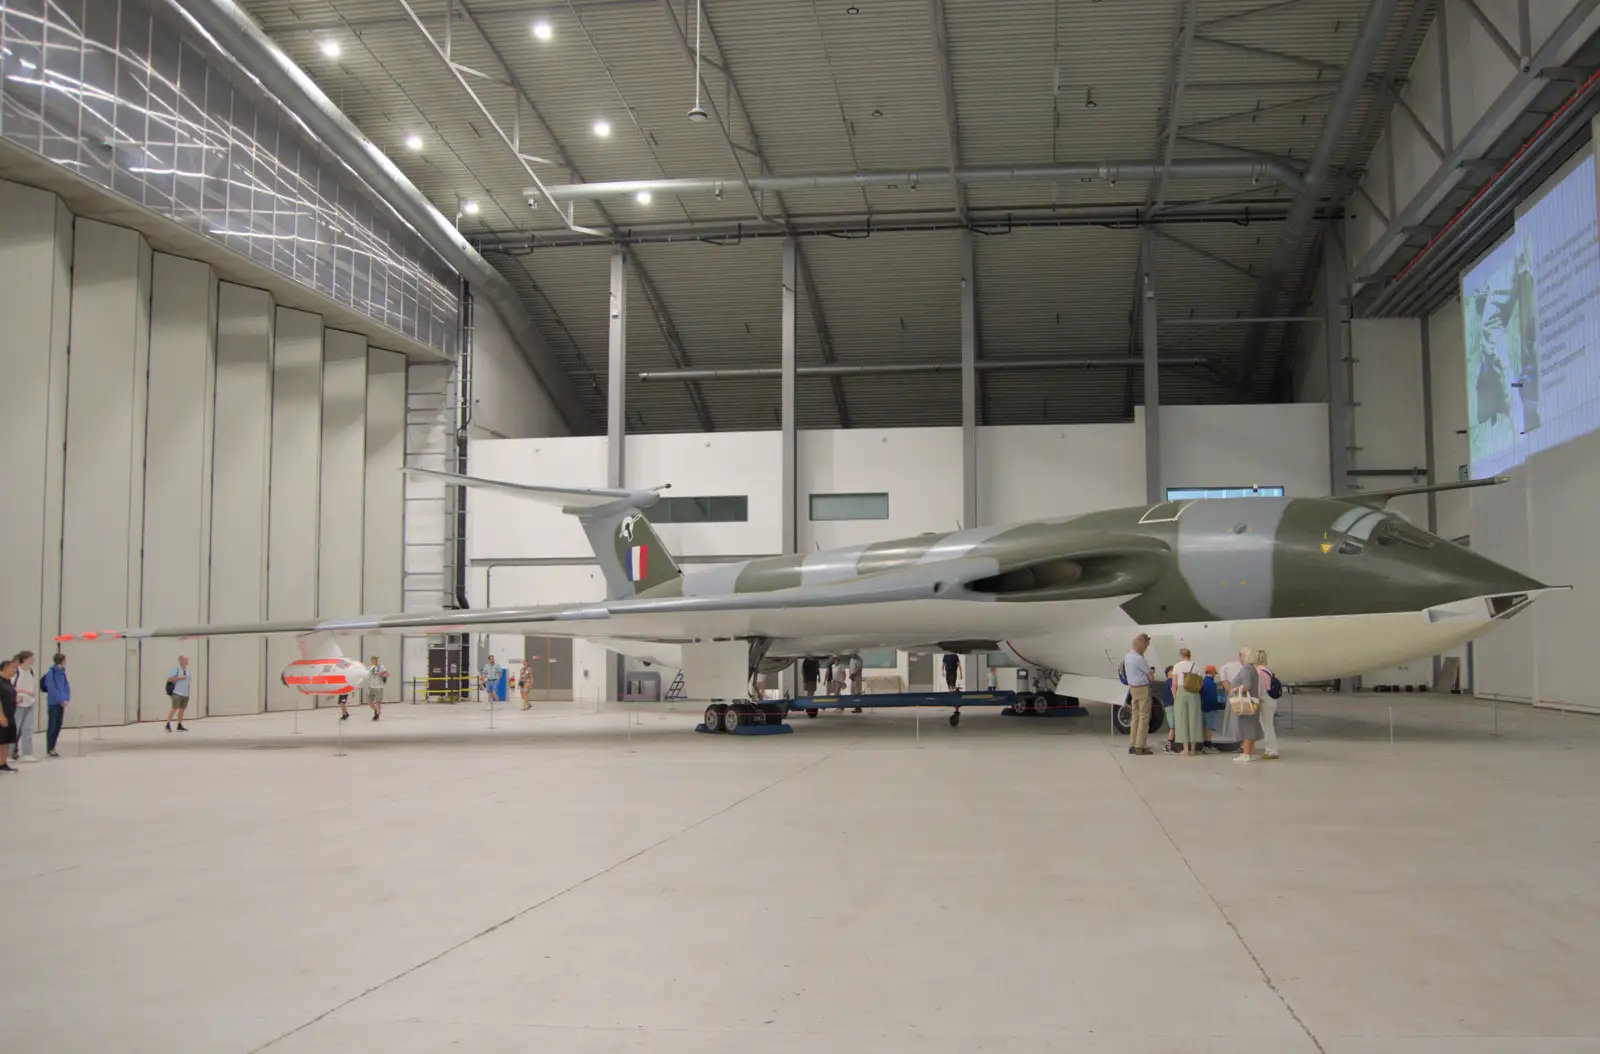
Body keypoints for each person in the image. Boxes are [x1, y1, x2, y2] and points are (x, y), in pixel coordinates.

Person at [1228, 646, 1265, 763]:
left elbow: (1246, 685)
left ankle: (1246, 753)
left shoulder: (1245, 669)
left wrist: (1235, 690)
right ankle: (1251, 752)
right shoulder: (1253, 669)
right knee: (1252, 727)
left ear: (1243, 657)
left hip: (1245, 703)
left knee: (1246, 728)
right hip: (1253, 701)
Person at [1122, 633, 1154, 755]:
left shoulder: (1128, 656)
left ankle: (1132, 744)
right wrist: (1151, 673)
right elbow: (1150, 676)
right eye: (1146, 645)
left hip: (1132, 689)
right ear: (1142, 643)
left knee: (1135, 717)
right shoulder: (1139, 659)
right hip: (1142, 688)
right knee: (1144, 717)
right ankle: (1140, 746)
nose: (1146, 648)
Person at [1170, 648, 1204, 757]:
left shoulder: (1177, 666)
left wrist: (1175, 697)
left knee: (1182, 720)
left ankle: (1185, 749)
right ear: (1190, 655)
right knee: (1194, 719)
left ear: (1181, 655)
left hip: (1181, 692)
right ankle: (1193, 749)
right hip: (1194, 693)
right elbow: (1201, 683)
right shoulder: (1196, 666)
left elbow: (1174, 684)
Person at [11, 651, 38, 763]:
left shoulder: (32, 671)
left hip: (30, 702)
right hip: (19, 703)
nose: (33, 659)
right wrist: (23, 693)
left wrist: (31, 695)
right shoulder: (17, 671)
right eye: (32, 657)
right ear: (26, 658)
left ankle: (27, 753)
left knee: (27, 728)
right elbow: (11, 686)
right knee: (15, 728)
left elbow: (32, 685)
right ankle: (10, 753)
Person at [42, 652, 69, 758]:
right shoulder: (51, 672)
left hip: (62, 702)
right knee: (52, 725)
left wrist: (66, 699)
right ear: (62, 660)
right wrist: (60, 699)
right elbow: (52, 688)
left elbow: (66, 686)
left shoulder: (62, 672)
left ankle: (53, 747)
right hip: (54, 703)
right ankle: (50, 747)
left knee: (58, 725)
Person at [1199, 663, 1231, 754]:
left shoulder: (1202, 682)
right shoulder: (1212, 684)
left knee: (1206, 727)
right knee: (1209, 727)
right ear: (1213, 673)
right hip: (1210, 708)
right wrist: (1218, 706)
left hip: (1203, 707)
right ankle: (1207, 746)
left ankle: (1206, 744)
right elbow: (1212, 697)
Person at [1256, 649, 1281, 760]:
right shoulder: (1267, 670)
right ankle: (1271, 749)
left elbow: (1261, 688)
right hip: (1271, 700)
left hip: (1265, 700)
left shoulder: (1259, 671)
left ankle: (1271, 750)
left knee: (1267, 726)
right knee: (1268, 725)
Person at [164, 655, 192, 732]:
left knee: (182, 710)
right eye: (185, 659)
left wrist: (188, 692)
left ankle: (179, 724)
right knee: (174, 708)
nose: (187, 661)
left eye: (187, 659)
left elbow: (188, 681)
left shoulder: (188, 670)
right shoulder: (176, 669)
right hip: (177, 692)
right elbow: (170, 679)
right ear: (181, 661)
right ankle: (167, 724)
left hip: (185, 694)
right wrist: (180, 678)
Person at [0, 658, 18, 772]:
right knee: (1, 741)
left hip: (10, 716)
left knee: (6, 741)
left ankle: (3, 763)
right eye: (12, 668)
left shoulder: (8, 682)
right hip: (3, 716)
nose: (14, 670)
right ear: (5, 667)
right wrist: (1, 716)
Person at [368, 656, 388, 720]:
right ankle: (376, 710)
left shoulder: (381, 667)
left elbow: (387, 674)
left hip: (378, 686)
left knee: (378, 701)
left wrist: (381, 674)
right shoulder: (369, 667)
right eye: (373, 660)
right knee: (369, 701)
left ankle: (377, 714)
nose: (375, 661)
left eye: (376, 660)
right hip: (371, 686)